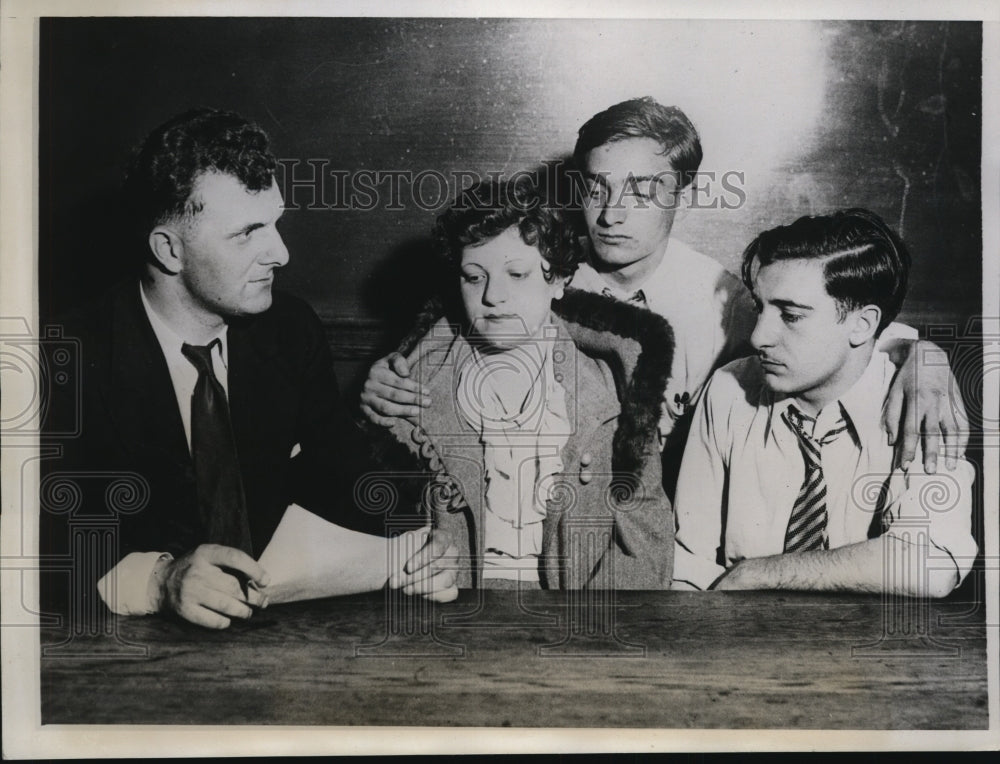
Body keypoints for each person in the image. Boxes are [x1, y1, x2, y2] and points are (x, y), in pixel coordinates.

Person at [360, 97, 967, 492]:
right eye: (597, 189)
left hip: (679, 521)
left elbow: (836, 328)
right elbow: (447, 345)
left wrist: (925, 358)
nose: (613, 214)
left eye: (643, 191)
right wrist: (388, 383)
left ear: (684, 193)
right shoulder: (540, 278)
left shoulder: (725, 297)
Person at [40, 108, 409, 629]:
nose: (279, 253)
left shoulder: (290, 328)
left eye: (276, 223)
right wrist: (158, 582)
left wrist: (415, 547)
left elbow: (350, 487)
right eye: (247, 233)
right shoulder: (61, 358)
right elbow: (30, 544)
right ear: (169, 249)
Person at [369, 176, 674, 592]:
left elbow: (645, 538)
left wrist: (592, 629)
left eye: (517, 274)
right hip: (451, 610)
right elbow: (382, 522)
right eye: (474, 277)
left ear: (559, 280)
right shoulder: (417, 383)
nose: (494, 295)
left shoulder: (613, 387)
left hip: (580, 614)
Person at [672, 209, 977, 595]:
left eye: (792, 316)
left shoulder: (919, 400)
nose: (758, 337)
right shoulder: (730, 390)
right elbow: (688, 561)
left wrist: (759, 573)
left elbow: (931, 562)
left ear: (862, 325)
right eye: (759, 307)